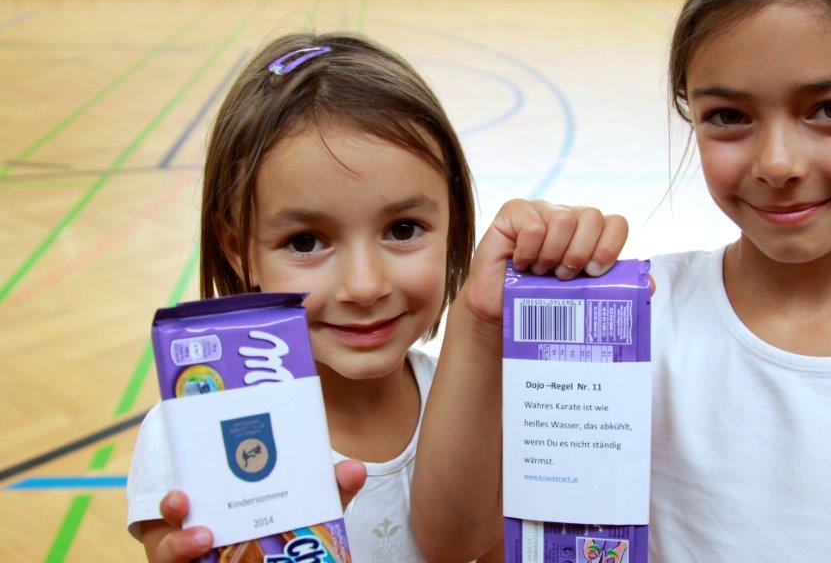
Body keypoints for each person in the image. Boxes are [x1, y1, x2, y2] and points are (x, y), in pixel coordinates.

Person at [411, 0, 831, 561]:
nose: (777, 163)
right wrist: (481, 324)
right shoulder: (625, 324)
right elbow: (454, 542)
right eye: (729, 116)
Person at [125, 31, 627, 563]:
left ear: (454, 224)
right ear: (237, 251)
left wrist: (487, 321)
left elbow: (475, 548)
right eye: (305, 242)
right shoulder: (194, 433)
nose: (365, 286)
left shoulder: (477, 406)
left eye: (403, 229)